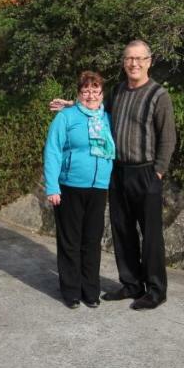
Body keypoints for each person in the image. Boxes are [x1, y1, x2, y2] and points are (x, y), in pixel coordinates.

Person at [51, 40, 176, 310]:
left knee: (151, 235)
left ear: (149, 62)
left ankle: (155, 290)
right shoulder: (118, 91)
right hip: (117, 172)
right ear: (124, 62)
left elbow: (168, 136)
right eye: (130, 58)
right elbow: (93, 107)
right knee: (122, 231)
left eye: (140, 59)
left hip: (146, 172)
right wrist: (71, 105)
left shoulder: (158, 95)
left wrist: (159, 172)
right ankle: (131, 284)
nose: (134, 63)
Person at [43, 71, 116, 310]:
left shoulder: (107, 118)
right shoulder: (66, 117)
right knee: (70, 242)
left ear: (102, 93)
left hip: (98, 188)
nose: (91, 95)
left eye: (96, 90)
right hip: (70, 186)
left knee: (92, 242)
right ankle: (71, 292)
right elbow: (53, 150)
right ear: (78, 93)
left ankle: (90, 291)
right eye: (86, 91)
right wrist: (52, 186)